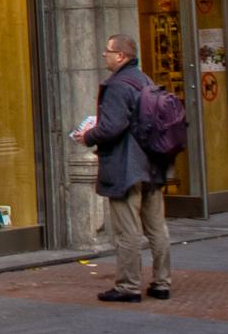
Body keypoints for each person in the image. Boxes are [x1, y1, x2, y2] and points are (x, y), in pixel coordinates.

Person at [74, 34, 172, 303]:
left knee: (127, 229)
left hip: (127, 166)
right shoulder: (144, 80)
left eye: (107, 50)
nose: (104, 54)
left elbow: (112, 127)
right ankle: (162, 282)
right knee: (156, 227)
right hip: (152, 163)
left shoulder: (117, 85)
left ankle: (128, 286)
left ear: (120, 56)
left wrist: (88, 136)